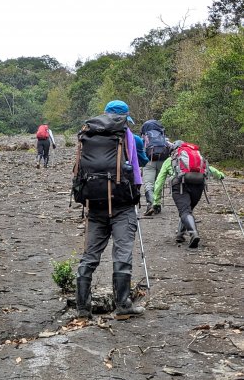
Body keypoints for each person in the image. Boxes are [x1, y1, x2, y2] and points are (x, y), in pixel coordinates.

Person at [75, 99, 145, 318]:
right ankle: (123, 306)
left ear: (105, 113)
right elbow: (134, 168)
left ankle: (83, 308)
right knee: (122, 253)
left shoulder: (89, 134)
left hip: (95, 204)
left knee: (90, 255)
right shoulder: (127, 136)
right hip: (122, 205)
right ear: (125, 116)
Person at [153, 140, 225, 248]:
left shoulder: (171, 160)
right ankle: (180, 235)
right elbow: (209, 168)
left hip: (180, 186)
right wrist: (220, 175)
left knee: (185, 211)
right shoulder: (195, 158)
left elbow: (159, 181)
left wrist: (156, 201)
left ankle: (193, 234)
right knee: (187, 210)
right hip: (198, 185)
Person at [140, 119, 172, 216]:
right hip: (162, 162)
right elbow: (171, 147)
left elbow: (139, 149)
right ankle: (157, 206)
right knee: (158, 183)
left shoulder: (144, 137)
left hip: (149, 161)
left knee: (149, 183)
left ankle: (150, 204)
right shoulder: (163, 138)